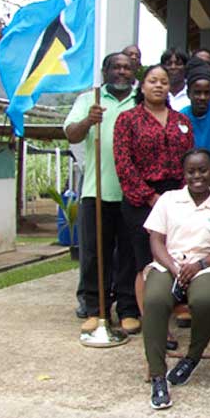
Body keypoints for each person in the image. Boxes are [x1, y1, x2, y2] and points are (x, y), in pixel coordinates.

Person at [141, 149, 210, 410]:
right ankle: (158, 375)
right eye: (191, 171)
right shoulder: (168, 200)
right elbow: (156, 239)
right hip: (169, 264)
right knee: (153, 300)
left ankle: (192, 357)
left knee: (206, 301)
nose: (197, 176)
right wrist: (175, 268)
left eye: (203, 170)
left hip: (208, 266)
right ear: (183, 174)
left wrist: (200, 265)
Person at [114, 64, 195, 330]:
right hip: (141, 197)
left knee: (177, 253)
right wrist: (151, 197)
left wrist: (183, 195)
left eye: (163, 82)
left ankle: (176, 304)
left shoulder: (181, 121)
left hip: (177, 195)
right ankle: (144, 316)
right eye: (152, 81)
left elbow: (190, 161)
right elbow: (124, 164)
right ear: (143, 86)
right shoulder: (128, 119)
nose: (158, 85)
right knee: (144, 257)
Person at [65, 52, 138, 334]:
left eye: (127, 68)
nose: (121, 72)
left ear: (134, 72)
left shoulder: (139, 100)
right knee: (96, 254)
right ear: (105, 71)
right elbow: (71, 134)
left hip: (131, 193)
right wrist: (87, 122)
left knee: (129, 255)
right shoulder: (89, 100)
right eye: (116, 67)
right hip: (96, 192)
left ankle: (128, 308)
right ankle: (97, 310)